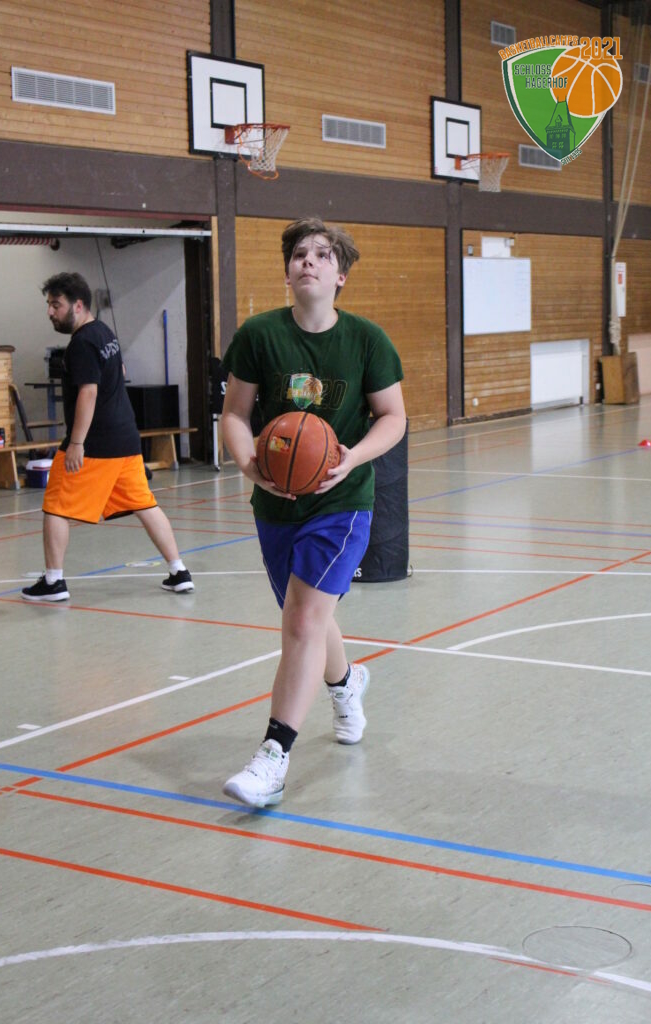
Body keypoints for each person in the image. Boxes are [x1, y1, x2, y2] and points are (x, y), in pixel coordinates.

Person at [220, 217, 406, 808]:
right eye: (299, 253)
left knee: (302, 621)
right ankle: (346, 683)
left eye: (322, 255)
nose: (309, 261)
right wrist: (248, 463)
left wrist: (353, 459)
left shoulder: (368, 340)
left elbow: (394, 417)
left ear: (340, 275)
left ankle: (273, 759)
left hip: (341, 503)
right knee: (310, 616)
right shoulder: (258, 335)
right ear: (287, 271)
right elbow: (234, 413)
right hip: (276, 503)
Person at [21, 272, 194, 602]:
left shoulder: (81, 344)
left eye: (56, 305)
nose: (50, 312)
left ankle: (54, 582)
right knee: (145, 504)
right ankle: (179, 572)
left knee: (56, 506)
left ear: (78, 305)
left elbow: (88, 392)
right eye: (49, 305)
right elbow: (120, 372)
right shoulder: (104, 333)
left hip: (97, 443)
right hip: (126, 439)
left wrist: (76, 443)